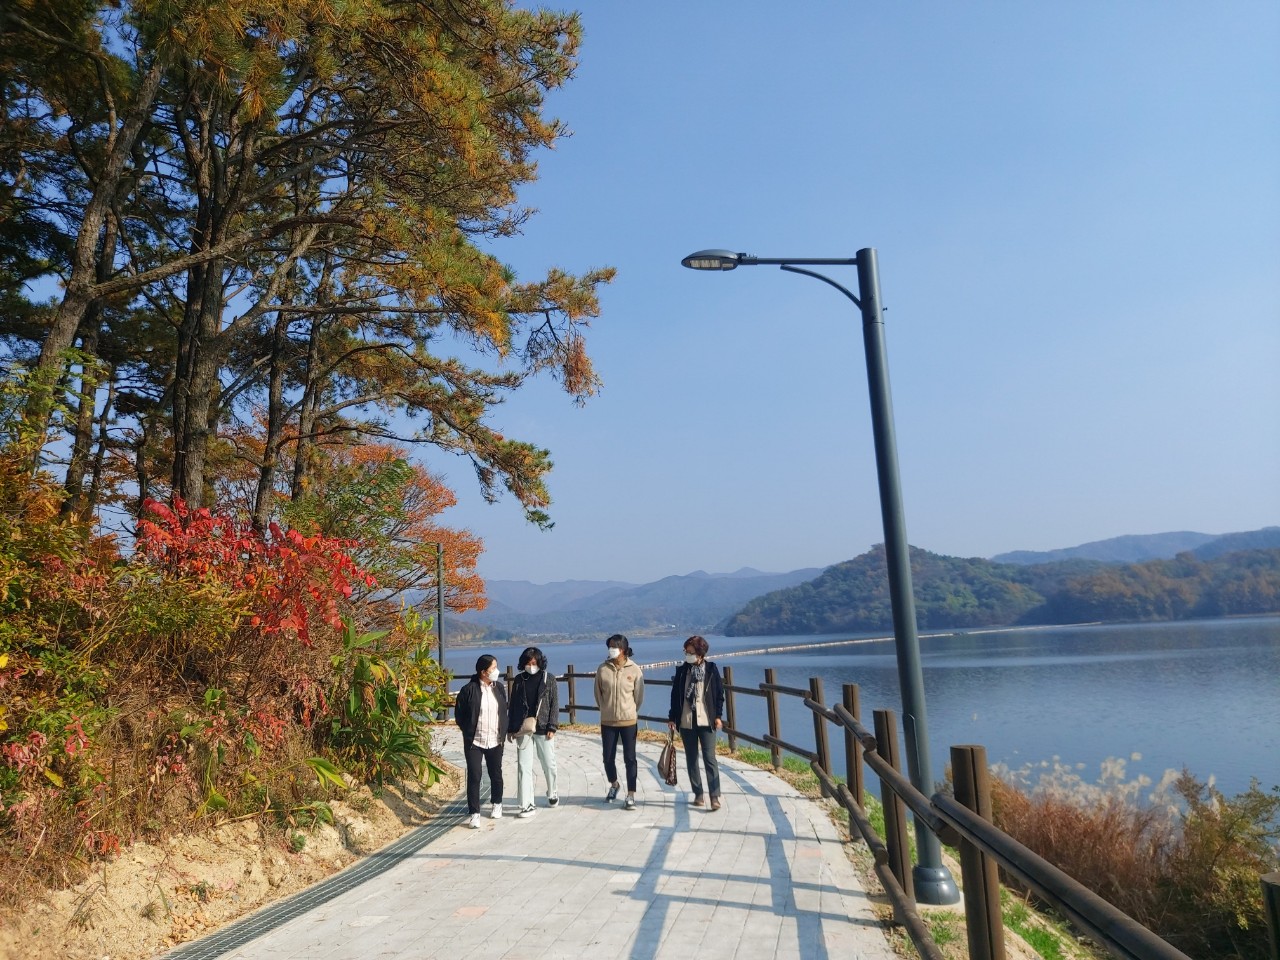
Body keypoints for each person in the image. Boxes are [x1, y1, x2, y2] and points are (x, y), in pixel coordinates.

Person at [667, 635, 725, 811]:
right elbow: (675, 696)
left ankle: (714, 796)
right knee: (691, 758)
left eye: (690, 652)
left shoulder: (711, 670)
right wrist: (672, 718)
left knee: (709, 758)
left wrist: (718, 716)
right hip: (686, 721)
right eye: (686, 652)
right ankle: (698, 793)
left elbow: (719, 695)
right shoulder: (682, 671)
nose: (687, 655)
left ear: (700, 653)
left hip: (706, 720)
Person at [453, 654, 509, 829]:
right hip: (475, 742)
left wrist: (504, 730)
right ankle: (474, 813)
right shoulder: (468, 690)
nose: (496, 671)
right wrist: (468, 731)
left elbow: (504, 711)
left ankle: (497, 803)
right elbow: (459, 715)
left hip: (495, 739)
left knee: (496, 774)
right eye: (493, 668)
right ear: (483, 672)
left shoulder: (499, 688)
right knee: (474, 775)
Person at [506, 646, 559, 817]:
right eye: (528, 663)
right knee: (523, 766)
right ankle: (527, 804)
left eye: (534, 663)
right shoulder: (519, 679)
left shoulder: (549, 679)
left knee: (548, 763)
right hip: (523, 727)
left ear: (540, 662)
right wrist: (511, 728)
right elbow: (513, 705)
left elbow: (554, 704)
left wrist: (552, 726)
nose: (531, 666)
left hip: (544, 727)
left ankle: (552, 791)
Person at [594, 633, 644, 810]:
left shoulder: (634, 670)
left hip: (628, 721)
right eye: (609, 647)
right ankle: (614, 784)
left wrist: (630, 712)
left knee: (630, 758)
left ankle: (631, 794)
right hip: (608, 721)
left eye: (614, 647)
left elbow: (638, 697)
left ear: (623, 649)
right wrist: (606, 710)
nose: (611, 650)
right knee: (608, 757)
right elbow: (598, 695)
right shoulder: (602, 669)